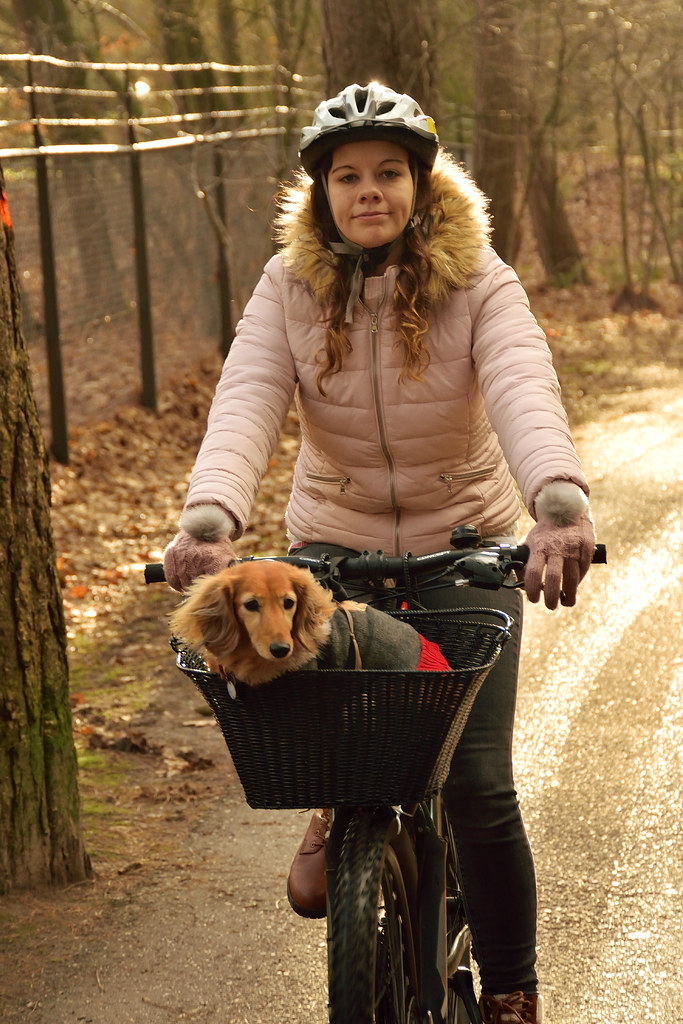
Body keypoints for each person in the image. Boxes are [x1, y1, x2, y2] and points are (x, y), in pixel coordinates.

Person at [163, 82, 596, 1024]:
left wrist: (555, 507)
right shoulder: (288, 285)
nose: (370, 192)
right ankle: (344, 810)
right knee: (345, 751)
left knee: (479, 785)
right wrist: (209, 520)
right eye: (347, 176)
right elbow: (247, 398)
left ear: (419, 182)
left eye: (388, 173)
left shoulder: (480, 278)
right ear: (319, 193)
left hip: (467, 549)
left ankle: (513, 992)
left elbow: (524, 385)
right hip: (335, 549)